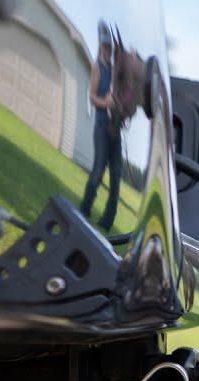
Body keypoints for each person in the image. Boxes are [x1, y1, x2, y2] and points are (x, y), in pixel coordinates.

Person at [79, 20, 122, 232]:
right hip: (101, 126)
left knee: (116, 175)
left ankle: (107, 220)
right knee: (98, 171)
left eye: (110, 46)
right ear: (101, 45)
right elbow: (92, 97)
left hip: (116, 128)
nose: (108, 49)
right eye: (106, 46)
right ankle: (84, 209)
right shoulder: (98, 67)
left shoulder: (114, 70)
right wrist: (106, 103)